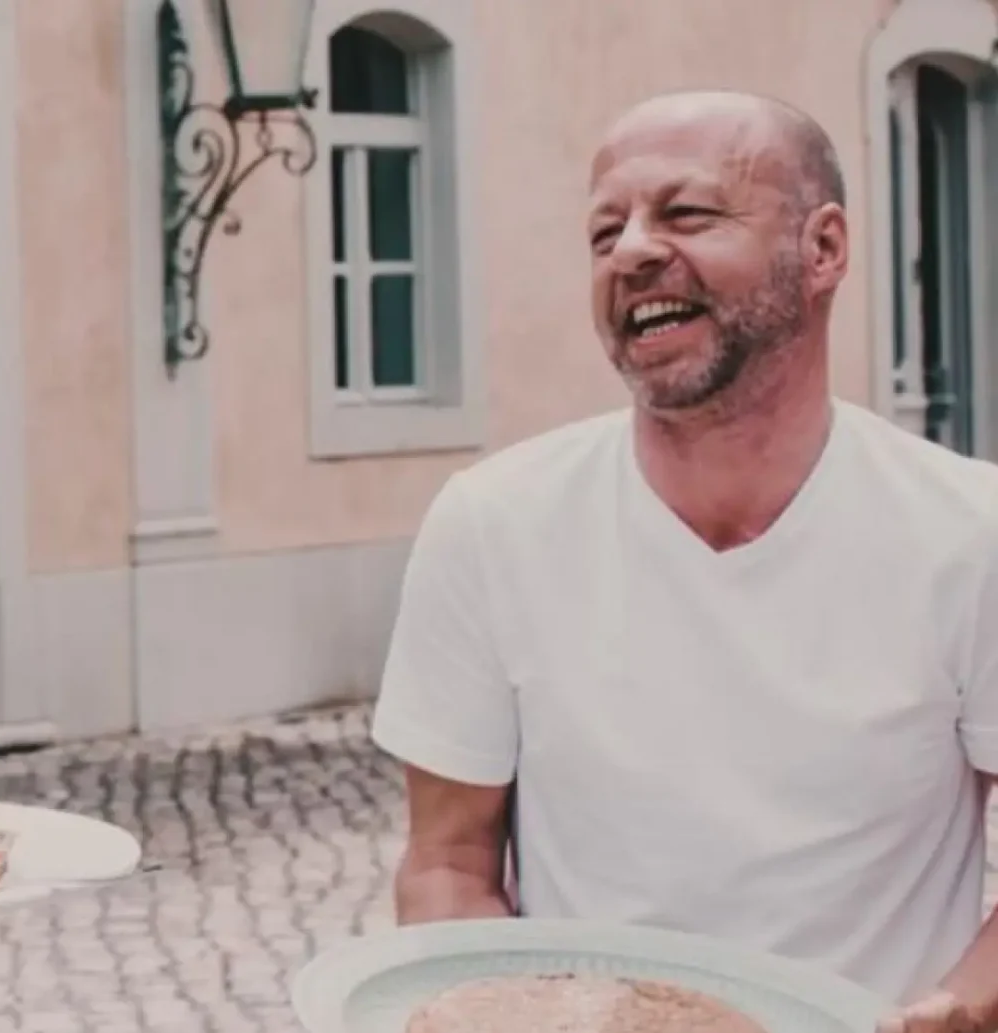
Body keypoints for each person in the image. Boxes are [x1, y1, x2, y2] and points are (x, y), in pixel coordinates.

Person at [371, 88, 998, 1033]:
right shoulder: (493, 525)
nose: (629, 251)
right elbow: (447, 862)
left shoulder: (971, 534)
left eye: (687, 213)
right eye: (604, 231)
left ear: (823, 249)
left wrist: (957, 1010)